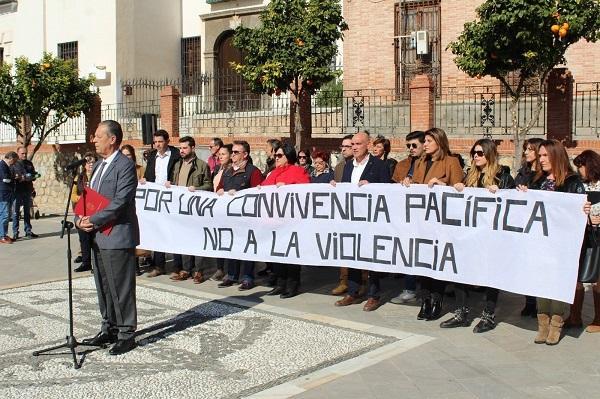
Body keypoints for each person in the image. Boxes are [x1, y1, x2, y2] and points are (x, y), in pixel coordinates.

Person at [76, 120, 139, 355]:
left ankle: (126, 333)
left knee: (120, 287)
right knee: (103, 285)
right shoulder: (100, 165)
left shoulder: (125, 165)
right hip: (99, 236)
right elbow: (90, 198)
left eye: (98, 136)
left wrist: (94, 220)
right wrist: (80, 217)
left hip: (118, 235)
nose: (94, 140)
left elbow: (120, 202)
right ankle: (109, 327)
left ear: (112, 139)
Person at [439, 139, 515, 333]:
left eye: (480, 153)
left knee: (490, 275)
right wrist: (456, 189)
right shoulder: (469, 176)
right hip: (469, 234)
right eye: (474, 153)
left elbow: (513, 205)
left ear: (489, 154)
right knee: (460, 271)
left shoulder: (503, 177)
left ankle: (488, 315)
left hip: (491, 237)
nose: (475, 156)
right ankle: (461, 312)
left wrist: (501, 193)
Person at [520, 139, 586, 345]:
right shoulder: (537, 180)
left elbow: (578, 208)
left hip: (562, 244)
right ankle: (542, 324)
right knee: (541, 282)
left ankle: (556, 324)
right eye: (539, 156)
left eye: (545, 155)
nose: (541, 159)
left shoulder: (572, 181)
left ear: (556, 156)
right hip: (540, 242)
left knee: (558, 282)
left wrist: (583, 209)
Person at [405, 127, 463, 321]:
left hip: (440, 222)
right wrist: (408, 183)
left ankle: (437, 300)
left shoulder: (451, 161)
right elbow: (415, 186)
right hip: (421, 221)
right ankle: (425, 300)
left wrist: (443, 186)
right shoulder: (420, 162)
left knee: (436, 263)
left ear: (439, 142)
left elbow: (459, 190)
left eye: (429, 141)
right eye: (425, 141)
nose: (426, 144)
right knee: (422, 261)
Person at [334, 131, 391, 311]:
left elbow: (387, 190)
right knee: (352, 255)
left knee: (371, 256)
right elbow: (344, 189)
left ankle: (374, 294)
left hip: (371, 219)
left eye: (358, 144)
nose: (355, 147)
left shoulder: (379, 165)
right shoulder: (348, 166)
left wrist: (371, 187)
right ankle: (353, 291)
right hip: (352, 218)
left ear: (368, 144)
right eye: (352, 145)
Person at [262, 142, 310, 298]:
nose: (276, 157)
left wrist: (287, 187)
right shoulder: (274, 172)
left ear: (288, 156)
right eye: (275, 155)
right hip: (274, 220)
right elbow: (264, 188)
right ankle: (280, 284)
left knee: (291, 255)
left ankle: (292, 285)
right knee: (277, 254)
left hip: (291, 220)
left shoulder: (298, 171)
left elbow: (305, 192)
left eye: (279, 155)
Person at [216, 140, 263, 291]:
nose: (233, 154)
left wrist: (240, 195)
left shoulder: (253, 171)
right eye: (233, 152)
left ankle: (248, 277)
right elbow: (219, 188)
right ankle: (231, 275)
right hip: (230, 217)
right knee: (232, 245)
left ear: (245, 154)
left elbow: (258, 193)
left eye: (237, 152)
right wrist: (220, 191)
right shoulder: (228, 171)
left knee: (247, 246)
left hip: (247, 217)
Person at [168, 136, 213, 283]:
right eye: (180, 148)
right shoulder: (176, 165)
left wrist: (197, 189)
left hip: (195, 209)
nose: (181, 151)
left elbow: (209, 186)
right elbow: (174, 184)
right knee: (183, 239)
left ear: (193, 148)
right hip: (180, 208)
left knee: (197, 240)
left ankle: (199, 271)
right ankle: (186, 269)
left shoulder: (202, 165)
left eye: (184, 148)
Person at [565, 150, 600, 333]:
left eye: (582, 165)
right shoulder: (578, 185)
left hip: (598, 236)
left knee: (598, 279)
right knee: (577, 276)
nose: (580, 170)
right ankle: (574, 316)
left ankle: (599, 319)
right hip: (582, 235)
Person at [141, 129, 182, 278]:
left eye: (160, 141)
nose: (158, 144)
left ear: (167, 141)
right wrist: (145, 181)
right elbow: (149, 174)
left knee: (174, 232)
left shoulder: (176, 155)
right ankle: (159, 266)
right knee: (157, 231)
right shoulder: (152, 156)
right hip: (156, 199)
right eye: (155, 142)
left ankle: (178, 266)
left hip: (172, 198)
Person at [390, 130, 425, 304]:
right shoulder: (402, 165)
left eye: (414, 145)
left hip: (425, 217)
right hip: (406, 216)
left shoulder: (431, 164)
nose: (410, 148)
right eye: (408, 145)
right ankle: (409, 288)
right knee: (409, 252)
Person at [514, 137, 544, 317]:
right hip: (521, 223)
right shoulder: (523, 171)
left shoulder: (543, 175)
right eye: (526, 149)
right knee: (526, 264)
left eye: (530, 150)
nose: (526, 152)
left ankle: (541, 302)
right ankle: (530, 301)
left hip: (538, 226)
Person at [331, 134, 355, 296]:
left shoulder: (364, 165)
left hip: (358, 214)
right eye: (342, 147)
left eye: (347, 146)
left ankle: (362, 281)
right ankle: (344, 281)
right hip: (343, 213)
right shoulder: (339, 167)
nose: (344, 149)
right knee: (343, 249)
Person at [209, 144, 233, 281]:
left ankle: (230, 270)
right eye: (219, 154)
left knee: (227, 240)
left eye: (223, 154)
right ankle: (220, 268)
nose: (220, 156)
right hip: (216, 208)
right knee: (218, 239)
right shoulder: (218, 168)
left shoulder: (232, 170)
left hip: (227, 210)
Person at [71, 152, 97, 273]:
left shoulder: (98, 175)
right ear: (84, 164)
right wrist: (81, 198)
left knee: (95, 238)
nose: (91, 164)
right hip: (82, 211)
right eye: (88, 162)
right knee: (84, 237)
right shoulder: (79, 177)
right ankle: (86, 262)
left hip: (95, 210)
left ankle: (96, 264)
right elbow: (73, 195)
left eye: (93, 161)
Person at [11, 146, 39, 240]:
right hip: (17, 191)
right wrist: (21, 177)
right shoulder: (14, 164)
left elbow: (34, 175)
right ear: (18, 153)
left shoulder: (29, 163)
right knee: (16, 212)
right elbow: (13, 177)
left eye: (25, 153)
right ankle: (15, 232)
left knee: (27, 212)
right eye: (22, 153)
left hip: (27, 191)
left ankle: (28, 231)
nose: (24, 155)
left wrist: (30, 177)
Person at [0, 151, 18, 244]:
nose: (15, 163)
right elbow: (5, 179)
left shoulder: (7, 166)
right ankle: (2, 236)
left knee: (7, 215)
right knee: (4, 215)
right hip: (3, 194)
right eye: (14, 160)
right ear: (11, 158)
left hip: (8, 193)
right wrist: (14, 178)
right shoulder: (2, 165)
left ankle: (4, 235)